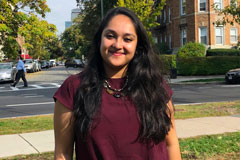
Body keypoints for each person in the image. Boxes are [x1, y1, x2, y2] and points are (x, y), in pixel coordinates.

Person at [53, 7, 181, 160]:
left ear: (137, 45)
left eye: (127, 39)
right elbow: (63, 154)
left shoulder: (155, 86)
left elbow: (170, 144)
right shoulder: (74, 88)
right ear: (100, 39)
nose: (118, 45)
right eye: (110, 36)